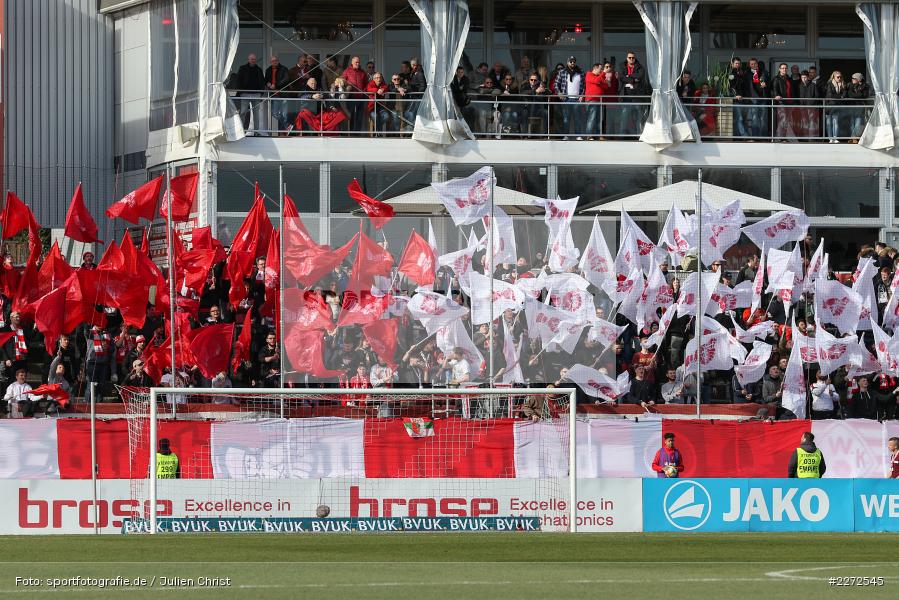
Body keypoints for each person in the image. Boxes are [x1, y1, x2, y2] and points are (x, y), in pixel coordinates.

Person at [235, 54, 266, 134]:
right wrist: (240, 91)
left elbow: (262, 81)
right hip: (245, 94)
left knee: (256, 114)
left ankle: (256, 131)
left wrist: (261, 93)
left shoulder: (259, 69)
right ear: (248, 59)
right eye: (252, 59)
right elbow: (238, 80)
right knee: (243, 112)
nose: (253, 60)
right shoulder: (243, 68)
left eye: (254, 59)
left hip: (256, 94)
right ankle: (241, 131)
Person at [342, 56, 370, 132]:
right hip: (351, 97)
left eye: (358, 62)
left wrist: (364, 91)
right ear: (352, 63)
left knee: (359, 116)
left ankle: (357, 132)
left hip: (361, 97)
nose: (357, 64)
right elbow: (342, 82)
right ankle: (350, 132)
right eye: (356, 62)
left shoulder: (362, 72)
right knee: (351, 115)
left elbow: (366, 84)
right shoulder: (347, 71)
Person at [264, 55, 291, 134]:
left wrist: (276, 85)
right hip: (274, 95)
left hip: (283, 94)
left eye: (275, 60)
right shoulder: (268, 70)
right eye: (272, 61)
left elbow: (287, 79)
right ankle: (287, 126)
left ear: (278, 61)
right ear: (270, 62)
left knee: (284, 114)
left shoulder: (283, 69)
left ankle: (283, 132)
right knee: (275, 113)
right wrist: (268, 84)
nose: (274, 62)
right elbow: (265, 80)